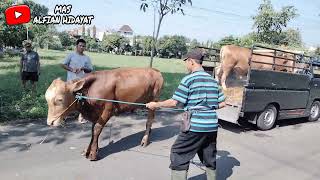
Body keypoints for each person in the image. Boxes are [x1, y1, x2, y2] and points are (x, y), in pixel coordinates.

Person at [146, 49, 226, 180]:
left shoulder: (189, 79)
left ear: (191, 61)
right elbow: (223, 103)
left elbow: (174, 102)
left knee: (179, 152)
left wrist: (155, 104)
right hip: (212, 125)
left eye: (186, 62)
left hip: (195, 125)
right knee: (208, 154)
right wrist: (208, 108)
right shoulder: (213, 81)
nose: (185, 65)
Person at [61, 38, 93, 123]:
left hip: (81, 82)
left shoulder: (87, 58)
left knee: (81, 99)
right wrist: (71, 69)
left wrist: (83, 68)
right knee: (68, 99)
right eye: (80, 46)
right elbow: (63, 65)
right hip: (70, 82)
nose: (82, 47)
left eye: (84, 46)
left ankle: (80, 117)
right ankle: (63, 116)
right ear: (77, 46)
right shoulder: (71, 55)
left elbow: (90, 70)